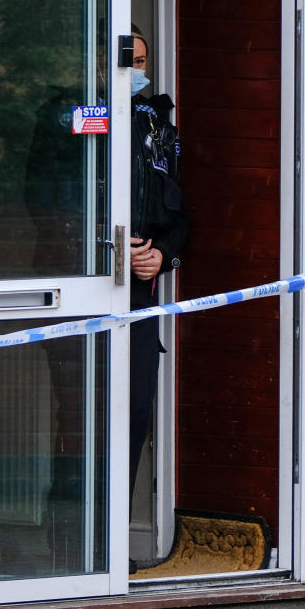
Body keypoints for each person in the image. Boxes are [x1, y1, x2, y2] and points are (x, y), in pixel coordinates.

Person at [128, 30, 189, 491]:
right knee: (80, 416)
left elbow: (182, 217)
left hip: (140, 290)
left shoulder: (157, 126)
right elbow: (44, 204)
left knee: (135, 410)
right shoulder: (72, 115)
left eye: (143, 61)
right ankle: (68, 542)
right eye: (129, 60)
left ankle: (115, 544)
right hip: (85, 283)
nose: (137, 71)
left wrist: (162, 257)